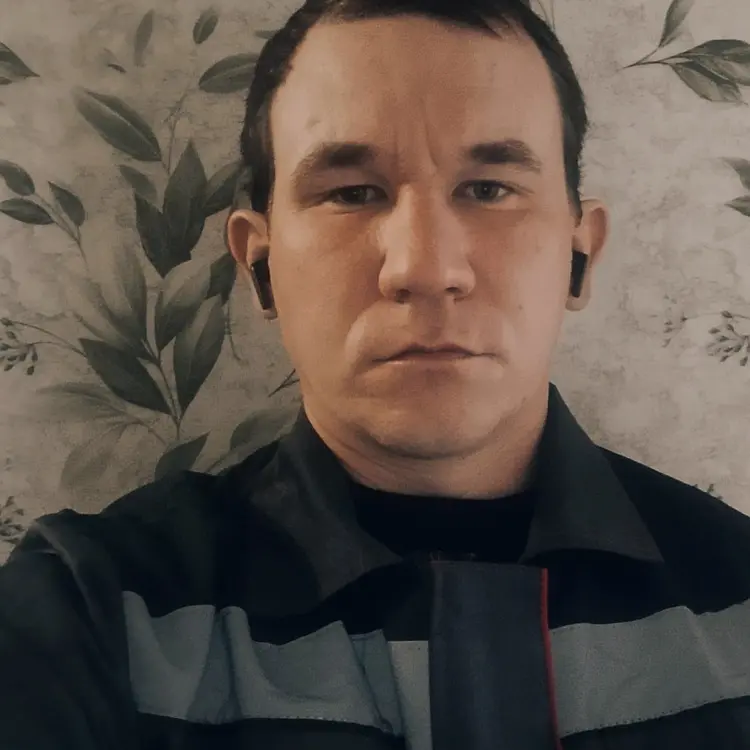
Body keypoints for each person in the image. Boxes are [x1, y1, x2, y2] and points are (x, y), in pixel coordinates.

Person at [3, 0, 750, 748]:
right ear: (261, 267)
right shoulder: (91, 607)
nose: (425, 268)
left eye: (489, 188)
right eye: (352, 193)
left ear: (580, 255)